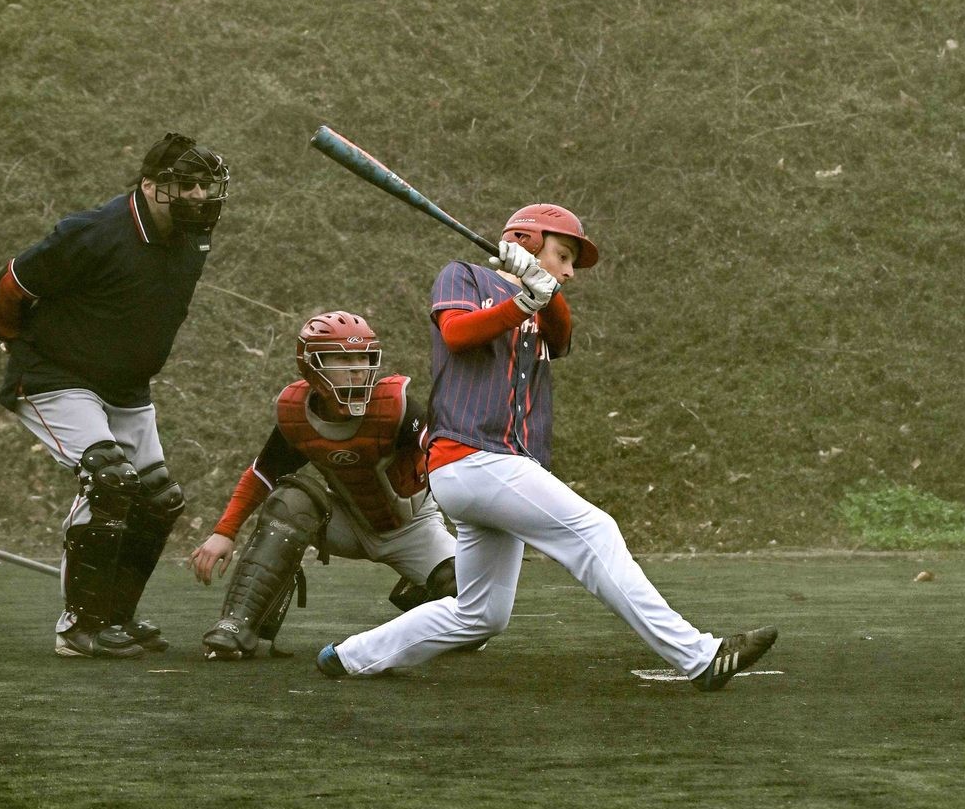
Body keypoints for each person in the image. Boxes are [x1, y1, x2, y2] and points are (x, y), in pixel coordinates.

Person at [316, 204, 777, 691]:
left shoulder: (541, 302)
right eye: (563, 255)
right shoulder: (463, 275)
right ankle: (700, 657)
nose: (570, 271)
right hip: (473, 456)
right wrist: (522, 300)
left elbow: (562, 337)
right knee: (595, 530)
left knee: (480, 614)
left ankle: (348, 656)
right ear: (528, 242)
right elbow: (456, 333)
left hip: (492, 468)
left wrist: (539, 289)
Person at [0, 131, 229, 659]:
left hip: (125, 387)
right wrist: (16, 344)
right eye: (186, 184)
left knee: (159, 499)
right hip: (55, 376)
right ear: (151, 186)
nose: (198, 195)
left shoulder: (194, 235)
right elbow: (13, 284)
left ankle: (115, 618)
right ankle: (80, 628)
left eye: (205, 185)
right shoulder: (93, 232)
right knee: (109, 479)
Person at [190, 311, 462, 660]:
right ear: (311, 365)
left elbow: (445, 453)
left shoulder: (396, 405)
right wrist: (224, 531)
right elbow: (262, 473)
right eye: (343, 359)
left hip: (413, 526)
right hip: (348, 521)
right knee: (291, 502)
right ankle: (236, 625)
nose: (358, 369)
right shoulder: (297, 414)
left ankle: (421, 594)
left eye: (363, 358)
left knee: (469, 607)